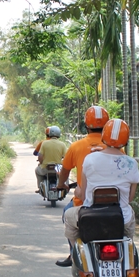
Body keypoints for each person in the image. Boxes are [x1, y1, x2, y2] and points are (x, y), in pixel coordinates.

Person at [62, 118, 139, 252]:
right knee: (129, 225)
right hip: (122, 218)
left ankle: (77, 253)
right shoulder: (131, 163)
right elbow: (129, 199)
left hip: (91, 216)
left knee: (68, 215)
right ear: (126, 140)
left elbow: (84, 194)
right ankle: (127, 253)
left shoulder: (90, 159)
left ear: (104, 137)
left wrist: (76, 192)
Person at [54, 106, 109, 265]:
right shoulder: (116, 148)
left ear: (86, 125)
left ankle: (74, 254)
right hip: (113, 202)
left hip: (84, 203)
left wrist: (62, 184)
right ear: (107, 126)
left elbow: (64, 171)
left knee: (67, 212)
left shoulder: (77, 146)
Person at [35, 126, 67, 193]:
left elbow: (40, 157)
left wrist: (41, 163)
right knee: (66, 173)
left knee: (37, 170)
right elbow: (66, 158)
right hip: (58, 169)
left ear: (49, 134)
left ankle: (40, 187)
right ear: (59, 134)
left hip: (45, 168)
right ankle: (65, 187)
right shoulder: (62, 144)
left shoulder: (44, 143)